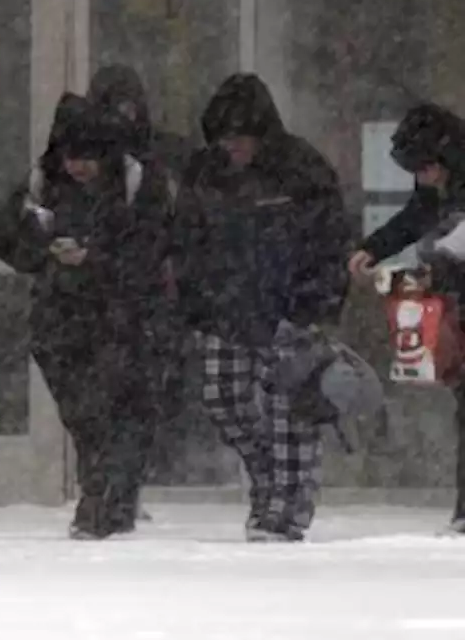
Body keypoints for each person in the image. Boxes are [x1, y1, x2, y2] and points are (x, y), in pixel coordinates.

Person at [174, 74, 350, 542]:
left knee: (289, 409)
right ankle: (268, 476)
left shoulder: (301, 170)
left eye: (240, 138)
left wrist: (314, 301)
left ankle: (288, 508)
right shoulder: (204, 173)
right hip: (225, 309)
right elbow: (186, 240)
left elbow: (329, 240)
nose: (232, 147)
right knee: (222, 398)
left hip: (289, 308)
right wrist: (193, 300)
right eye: (224, 139)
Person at [0, 94, 172, 539]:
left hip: (123, 316)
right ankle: (107, 494)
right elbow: (5, 237)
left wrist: (95, 257)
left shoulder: (138, 183)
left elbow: (155, 246)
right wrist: (43, 249)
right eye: (71, 158)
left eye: (87, 159)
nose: (78, 169)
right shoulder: (42, 181)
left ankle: (103, 497)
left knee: (116, 410)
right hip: (61, 318)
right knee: (83, 413)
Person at [348, 103, 465, 533]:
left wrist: (438, 270)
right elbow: (417, 218)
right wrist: (374, 247)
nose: (423, 179)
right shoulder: (441, 186)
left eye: (427, 168)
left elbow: (454, 245)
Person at [87, 64, 191, 517]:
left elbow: (183, 223)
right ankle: (115, 486)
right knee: (115, 397)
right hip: (108, 297)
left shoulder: (162, 159)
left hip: (147, 295)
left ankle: (122, 485)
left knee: (138, 396)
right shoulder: (87, 162)